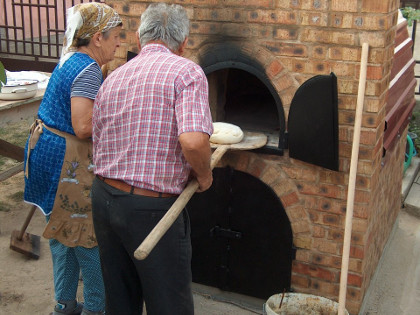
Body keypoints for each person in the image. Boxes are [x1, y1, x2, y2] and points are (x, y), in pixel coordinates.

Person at [91, 2, 213, 315]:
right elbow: (194, 140)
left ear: (138, 38)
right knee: (169, 305)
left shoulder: (114, 76)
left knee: (120, 301)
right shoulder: (187, 72)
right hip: (151, 209)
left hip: (104, 198)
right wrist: (205, 175)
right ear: (184, 43)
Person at [23, 3, 122, 315]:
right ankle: (95, 308)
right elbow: (82, 126)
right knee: (85, 238)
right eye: (116, 36)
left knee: (61, 232)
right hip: (66, 163)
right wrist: (118, 117)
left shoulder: (72, 60)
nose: (119, 43)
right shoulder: (88, 70)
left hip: (46, 152)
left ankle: (64, 306)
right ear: (97, 38)